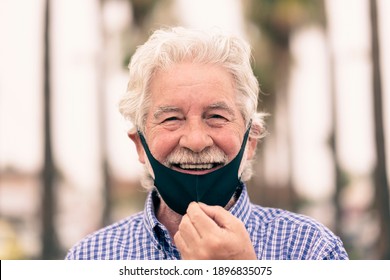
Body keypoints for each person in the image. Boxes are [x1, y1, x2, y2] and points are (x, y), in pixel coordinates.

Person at [65, 26, 349, 260]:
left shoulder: (312, 250)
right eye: (172, 119)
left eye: (216, 116)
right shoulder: (89, 258)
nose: (197, 141)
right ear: (140, 144)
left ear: (250, 140)